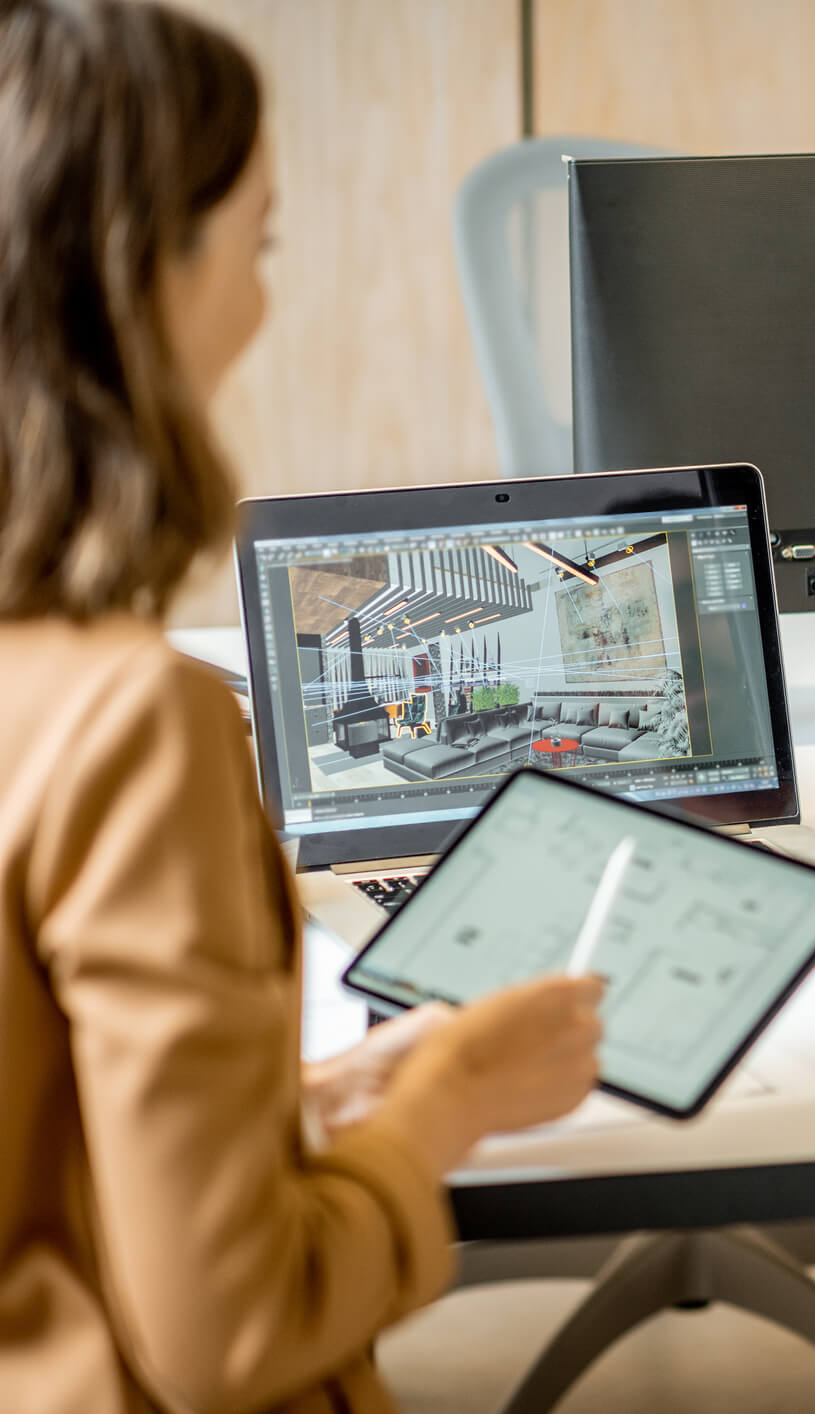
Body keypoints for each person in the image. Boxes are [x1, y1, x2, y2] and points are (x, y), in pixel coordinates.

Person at [0, 4, 606, 1411]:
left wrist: (293, 1113)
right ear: (147, 271)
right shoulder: (130, 727)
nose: (263, 304)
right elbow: (230, 1336)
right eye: (259, 244)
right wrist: (451, 1101)